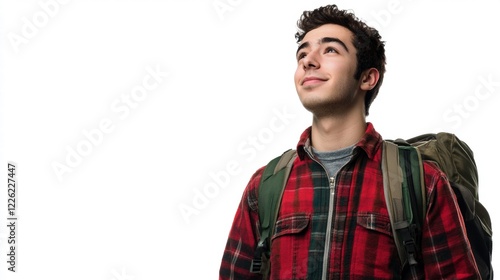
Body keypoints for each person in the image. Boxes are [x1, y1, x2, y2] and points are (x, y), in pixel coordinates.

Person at [219, 4, 480, 279]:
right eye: (302, 54)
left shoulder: (421, 181)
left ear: (367, 78)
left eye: (330, 50)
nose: (308, 61)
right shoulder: (265, 185)